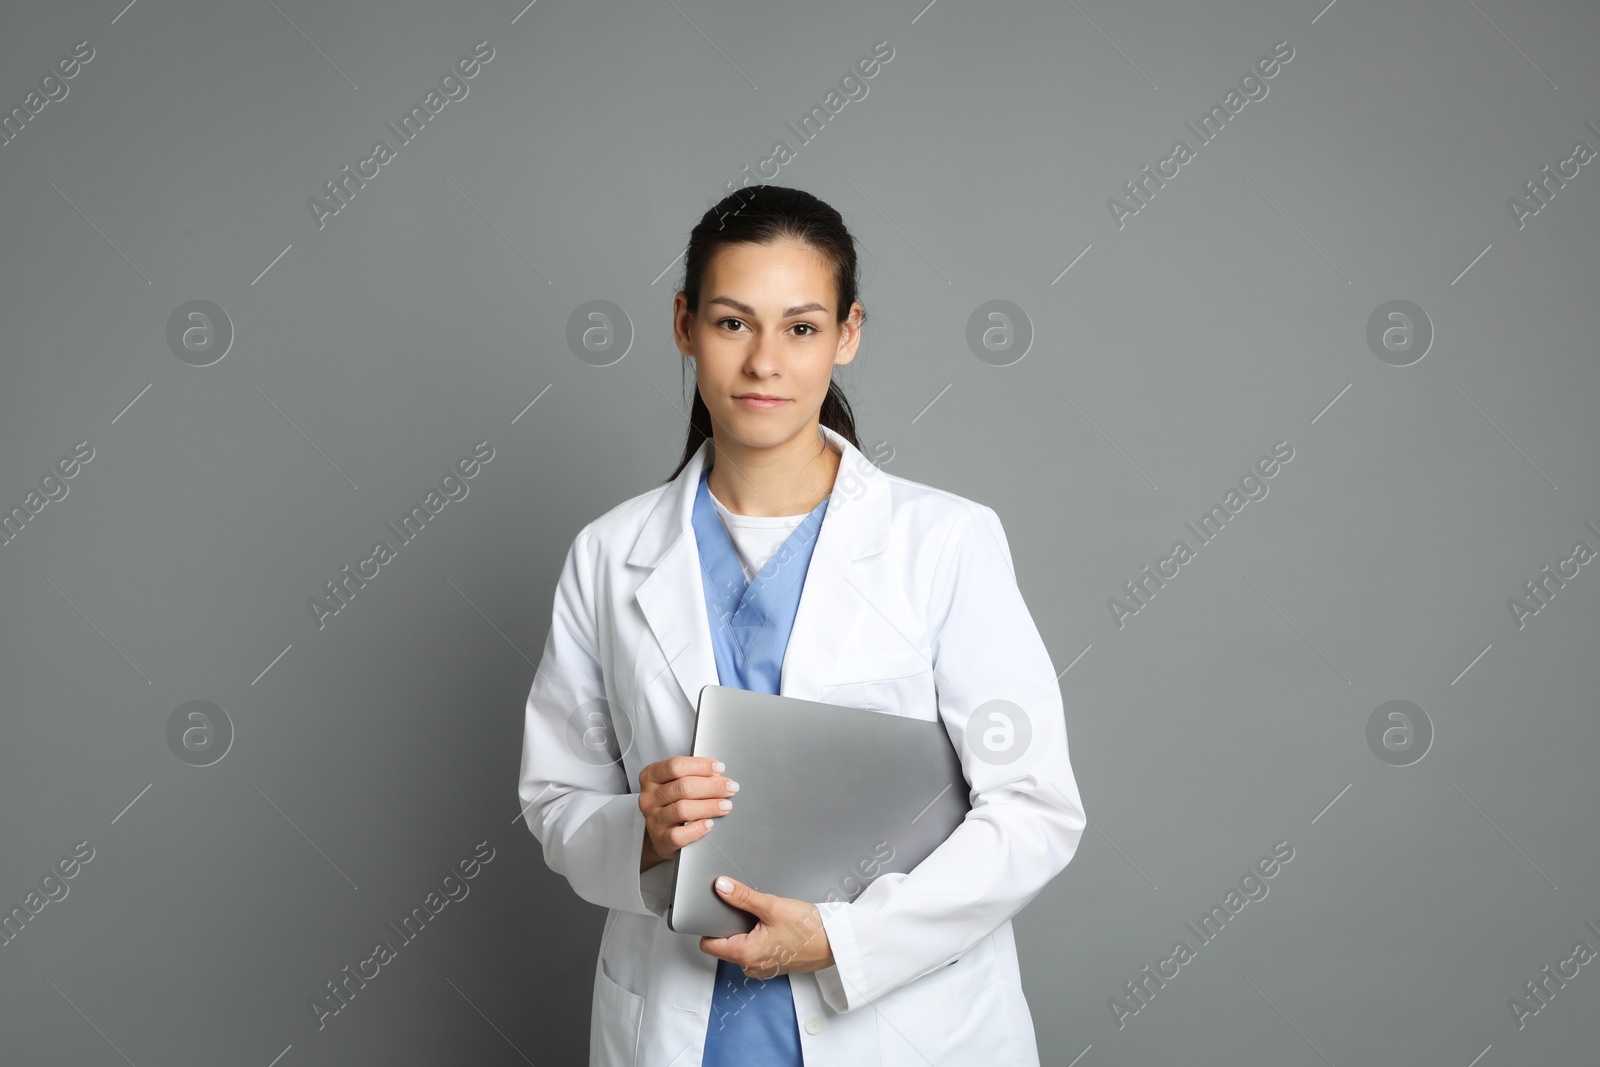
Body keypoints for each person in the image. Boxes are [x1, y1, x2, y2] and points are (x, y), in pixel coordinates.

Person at [517, 185, 1087, 1066]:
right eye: (734, 323)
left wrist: (845, 941)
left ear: (848, 335)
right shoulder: (609, 553)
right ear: (683, 324)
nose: (765, 363)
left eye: (802, 327)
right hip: (682, 1025)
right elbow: (555, 800)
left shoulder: (943, 542)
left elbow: (1034, 807)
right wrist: (642, 831)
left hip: (906, 1026)